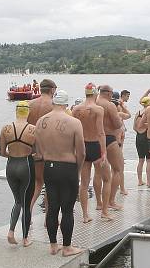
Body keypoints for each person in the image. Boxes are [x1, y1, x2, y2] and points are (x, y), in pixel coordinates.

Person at [34, 90, 85, 256]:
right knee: (67, 210)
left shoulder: (41, 121)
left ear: (53, 102)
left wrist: (46, 157)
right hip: (68, 167)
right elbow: (82, 152)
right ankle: (67, 247)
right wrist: (77, 170)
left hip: (49, 167)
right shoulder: (74, 122)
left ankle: (53, 245)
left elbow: (38, 149)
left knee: (52, 208)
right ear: (65, 103)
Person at [73, 84, 112, 222]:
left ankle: (85, 215)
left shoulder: (76, 109)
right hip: (95, 145)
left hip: (82, 146)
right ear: (95, 94)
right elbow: (101, 132)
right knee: (107, 178)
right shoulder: (98, 109)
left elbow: (74, 130)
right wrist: (104, 152)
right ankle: (105, 211)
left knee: (84, 183)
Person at [0, 101, 37, 246]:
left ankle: (10, 232)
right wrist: (29, 154)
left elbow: (3, 153)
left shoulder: (5, 128)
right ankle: (25, 238)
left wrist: (14, 153)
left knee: (17, 201)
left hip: (11, 166)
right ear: (28, 112)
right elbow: (38, 152)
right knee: (26, 204)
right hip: (26, 165)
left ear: (16, 112)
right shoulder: (33, 129)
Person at [26, 79, 57, 211]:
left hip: (31, 147)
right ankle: (48, 217)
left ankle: (28, 211)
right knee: (51, 183)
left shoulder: (29, 104)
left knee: (37, 183)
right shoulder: (54, 106)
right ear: (52, 90)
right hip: (48, 148)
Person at [97, 84, 125, 210]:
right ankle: (111, 201)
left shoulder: (93, 103)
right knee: (118, 169)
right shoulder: (110, 105)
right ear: (108, 93)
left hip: (94, 140)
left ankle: (99, 203)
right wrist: (119, 117)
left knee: (98, 173)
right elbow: (117, 124)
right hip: (108, 138)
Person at [113, 90, 131, 195]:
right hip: (117, 141)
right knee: (119, 167)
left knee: (111, 168)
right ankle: (122, 188)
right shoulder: (118, 111)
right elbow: (128, 115)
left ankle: (111, 187)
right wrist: (122, 106)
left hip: (109, 141)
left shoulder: (104, 111)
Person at [133, 96, 150, 187]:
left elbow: (134, 127)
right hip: (147, 137)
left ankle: (140, 181)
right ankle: (148, 182)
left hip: (138, 137)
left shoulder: (138, 113)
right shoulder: (149, 113)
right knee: (149, 160)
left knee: (141, 160)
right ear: (148, 103)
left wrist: (139, 131)